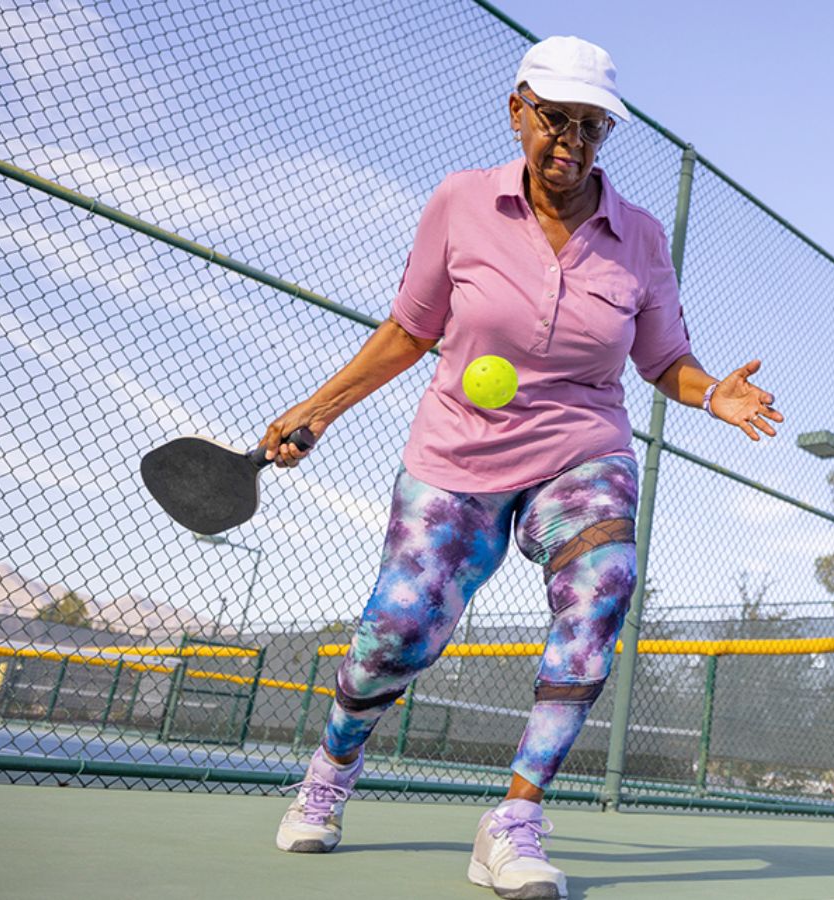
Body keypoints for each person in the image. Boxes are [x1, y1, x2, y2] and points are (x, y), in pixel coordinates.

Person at [262, 35, 782, 900]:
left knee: (603, 587)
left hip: (583, 448)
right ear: (518, 112)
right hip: (455, 450)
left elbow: (665, 360)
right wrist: (315, 410)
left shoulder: (641, 238)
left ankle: (513, 822)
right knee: (399, 631)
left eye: (592, 126)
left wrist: (707, 394)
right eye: (556, 119)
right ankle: (331, 768)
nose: (572, 141)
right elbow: (408, 332)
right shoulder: (460, 204)